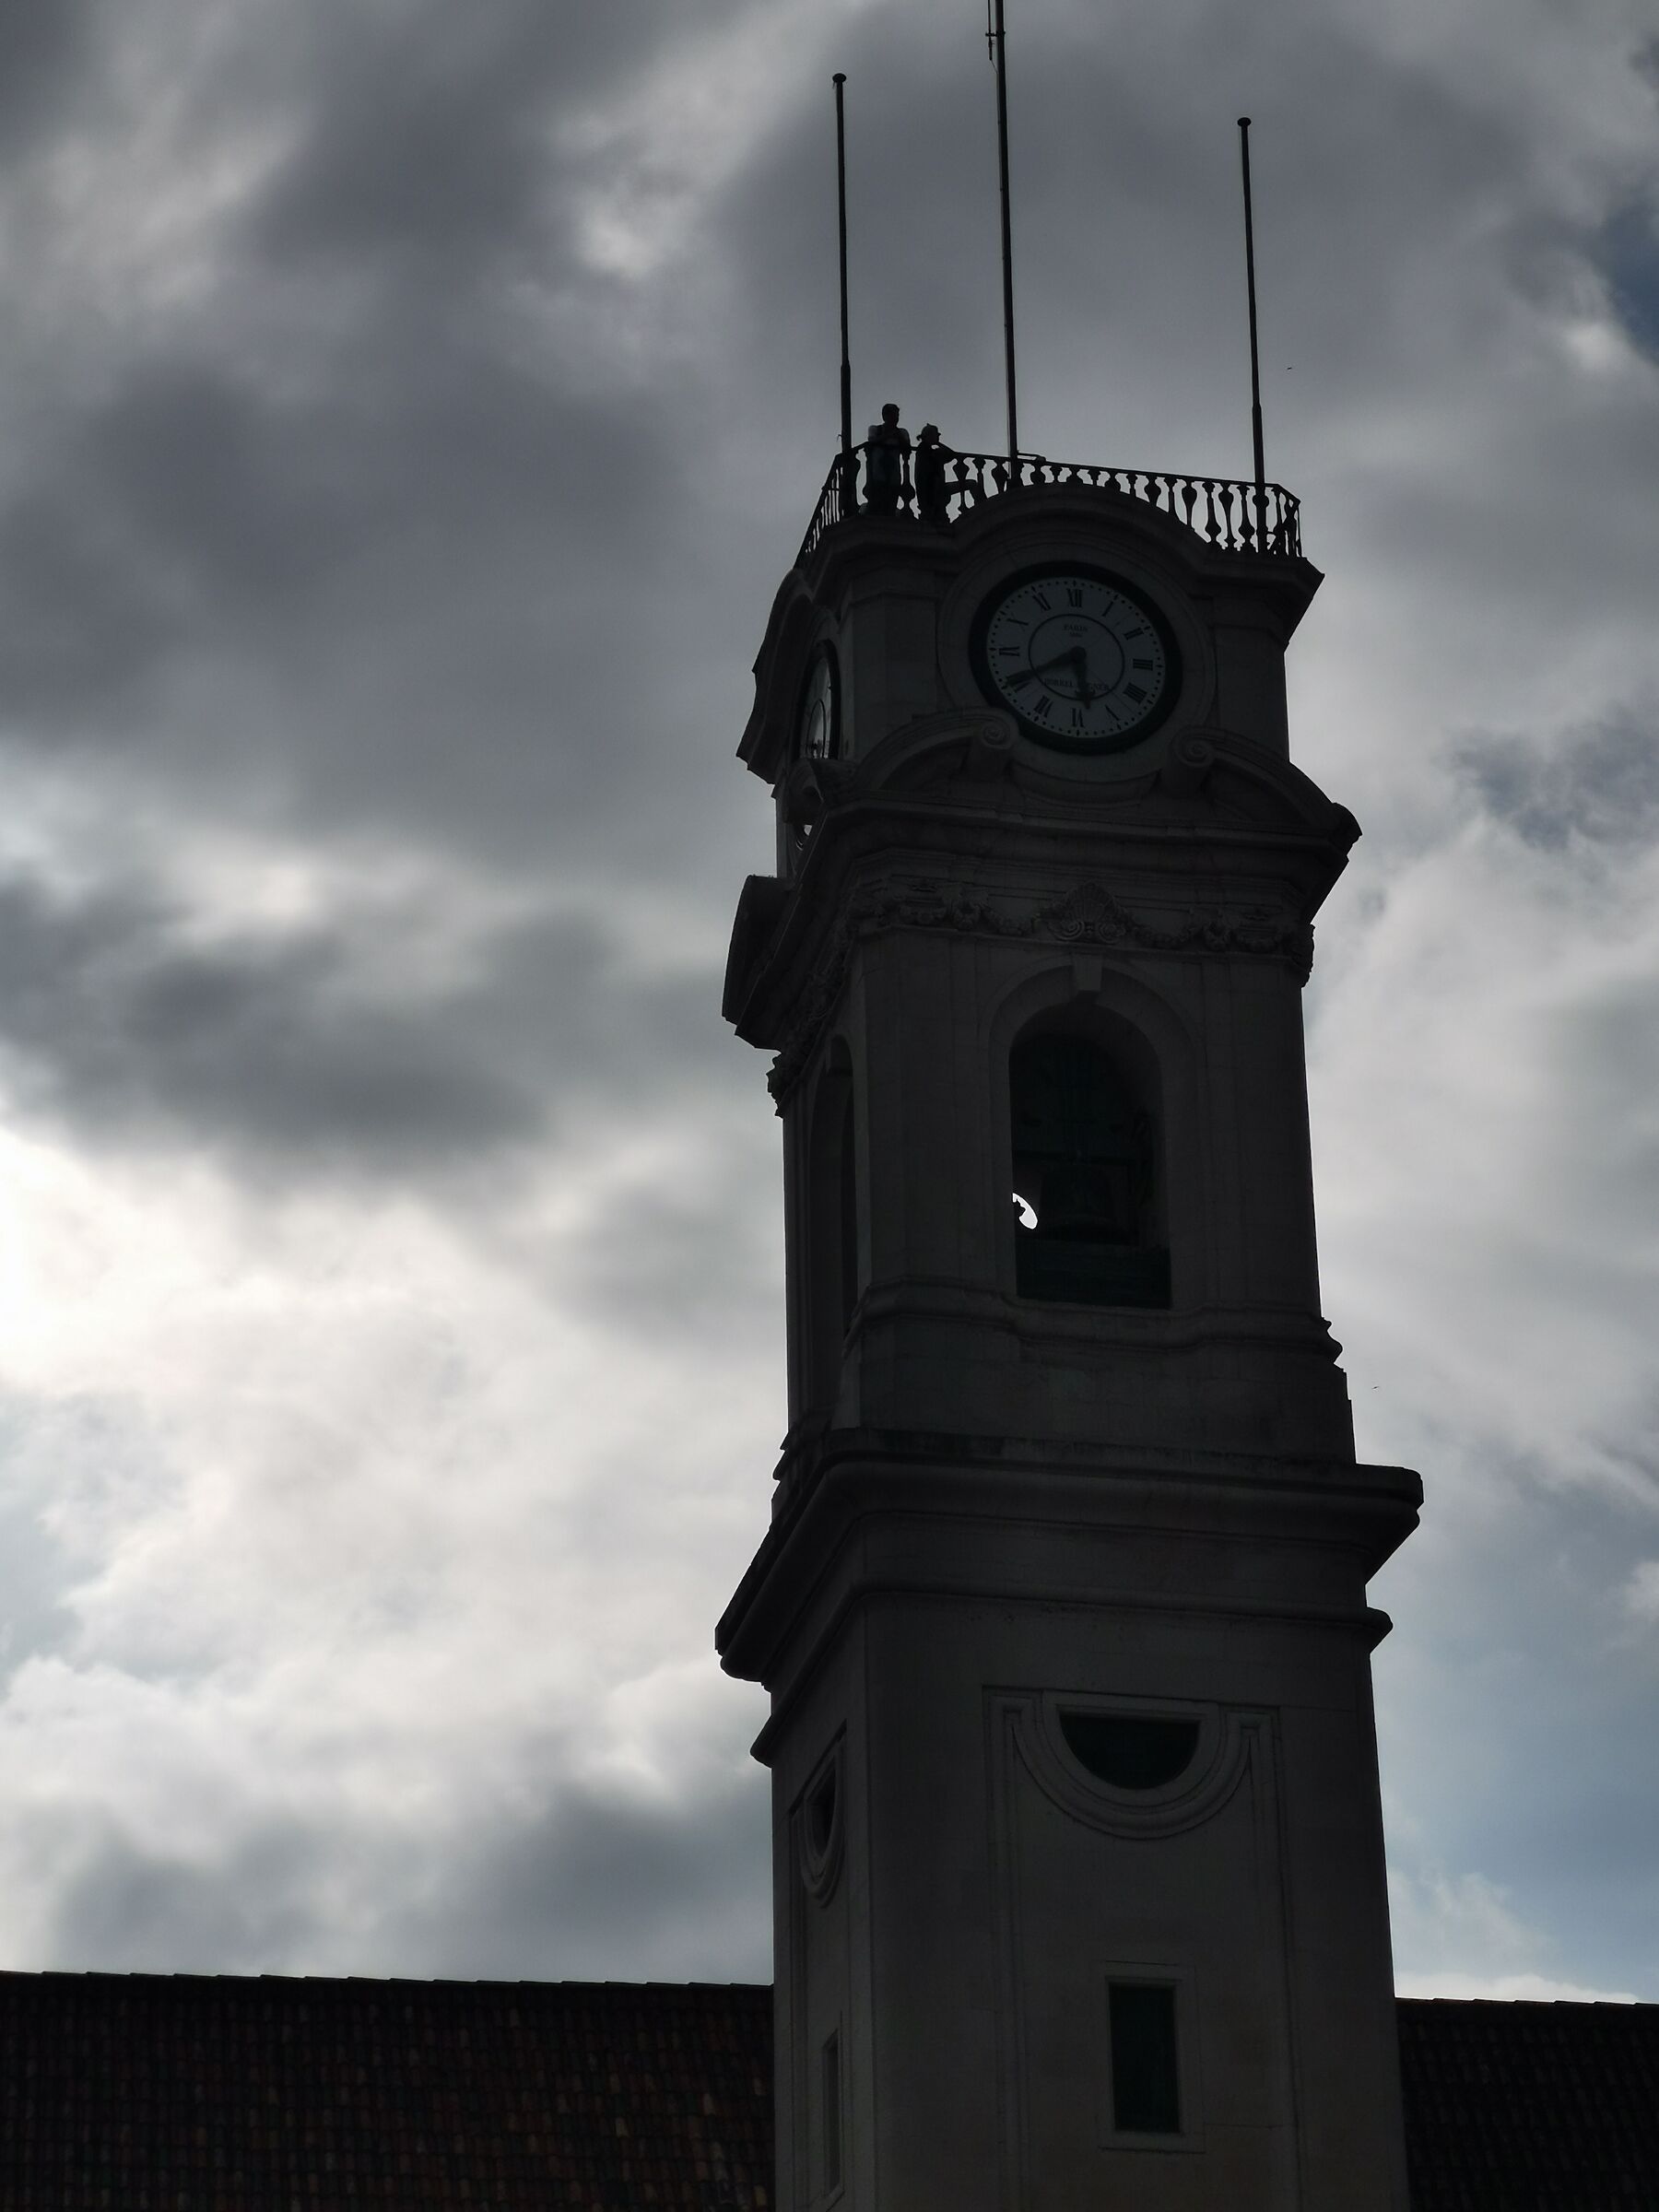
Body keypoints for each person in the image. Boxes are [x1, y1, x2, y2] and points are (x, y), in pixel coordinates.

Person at [863, 403, 912, 514]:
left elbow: (907, 448)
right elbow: (872, 441)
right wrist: (889, 435)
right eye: (893, 415)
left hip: (894, 471)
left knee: (892, 497)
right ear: (885, 416)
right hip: (877, 472)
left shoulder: (902, 432)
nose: (895, 418)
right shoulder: (875, 429)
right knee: (877, 499)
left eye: (897, 415)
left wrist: (898, 436)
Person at [914, 422, 953, 525]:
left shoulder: (927, 450)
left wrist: (938, 444)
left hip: (935, 488)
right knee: (971, 484)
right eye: (936, 434)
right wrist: (938, 444)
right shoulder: (925, 450)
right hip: (933, 490)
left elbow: (950, 455)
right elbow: (950, 455)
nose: (939, 436)